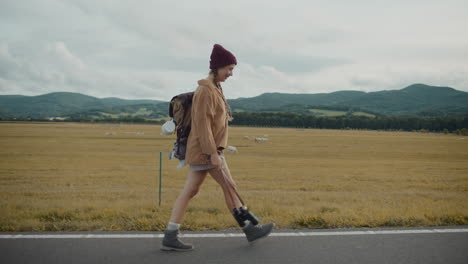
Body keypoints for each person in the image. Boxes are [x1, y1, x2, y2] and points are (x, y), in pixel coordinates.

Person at [161, 44, 274, 251]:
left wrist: (215, 151)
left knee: (202, 189)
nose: (231, 73)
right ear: (217, 67)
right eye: (228, 69)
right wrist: (212, 153)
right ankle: (249, 228)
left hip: (212, 150)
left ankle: (171, 234)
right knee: (227, 186)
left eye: (232, 69)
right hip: (206, 151)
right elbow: (202, 125)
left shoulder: (215, 89)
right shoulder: (205, 90)